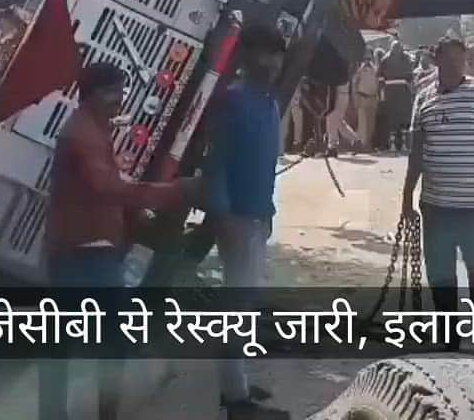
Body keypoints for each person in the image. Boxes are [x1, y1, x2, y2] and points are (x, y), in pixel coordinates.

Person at [41, 62, 196, 420]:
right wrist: (168, 193)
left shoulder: (92, 129)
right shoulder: (82, 134)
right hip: (83, 253)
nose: (119, 100)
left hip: (86, 250)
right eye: (113, 92)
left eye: (121, 92)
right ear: (92, 94)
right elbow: (105, 187)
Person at [402, 36, 474, 352]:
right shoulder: (423, 99)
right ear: (436, 61)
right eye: (447, 61)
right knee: (441, 275)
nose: (453, 67)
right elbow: (416, 153)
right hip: (435, 206)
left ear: (465, 61)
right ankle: (449, 341)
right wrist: (407, 197)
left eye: (458, 61)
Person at [202, 25, 290, 419]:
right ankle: (235, 401)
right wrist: (221, 216)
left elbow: (266, 166)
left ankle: (234, 384)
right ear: (246, 57)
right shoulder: (233, 101)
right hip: (236, 217)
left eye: (276, 56)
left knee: (245, 306)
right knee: (236, 308)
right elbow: (215, 162)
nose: (270, 63)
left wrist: (268, 212)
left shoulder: (269, 103)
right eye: (263, 54)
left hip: (257, 215)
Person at [379, 42, 414, 153]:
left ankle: (395, 144)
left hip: (391, 91)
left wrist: (382, 91)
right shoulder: (405, 59)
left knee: (393, 118)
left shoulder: (385, 59)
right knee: (400, 118)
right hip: (402, 92)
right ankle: (401, 144)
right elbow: (410, 77)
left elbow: (380, 78)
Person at [353, 54, 380, 153]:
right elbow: (355, 83)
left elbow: (378, 83)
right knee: (363, 123)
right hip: (362, 97)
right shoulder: (359, 70)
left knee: (371, 124)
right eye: (366, 59)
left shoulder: (376, 69)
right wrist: (356, 98)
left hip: (373, 98)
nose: (367, 61)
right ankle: (362, 145)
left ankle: (368, 144)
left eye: (369, 59)